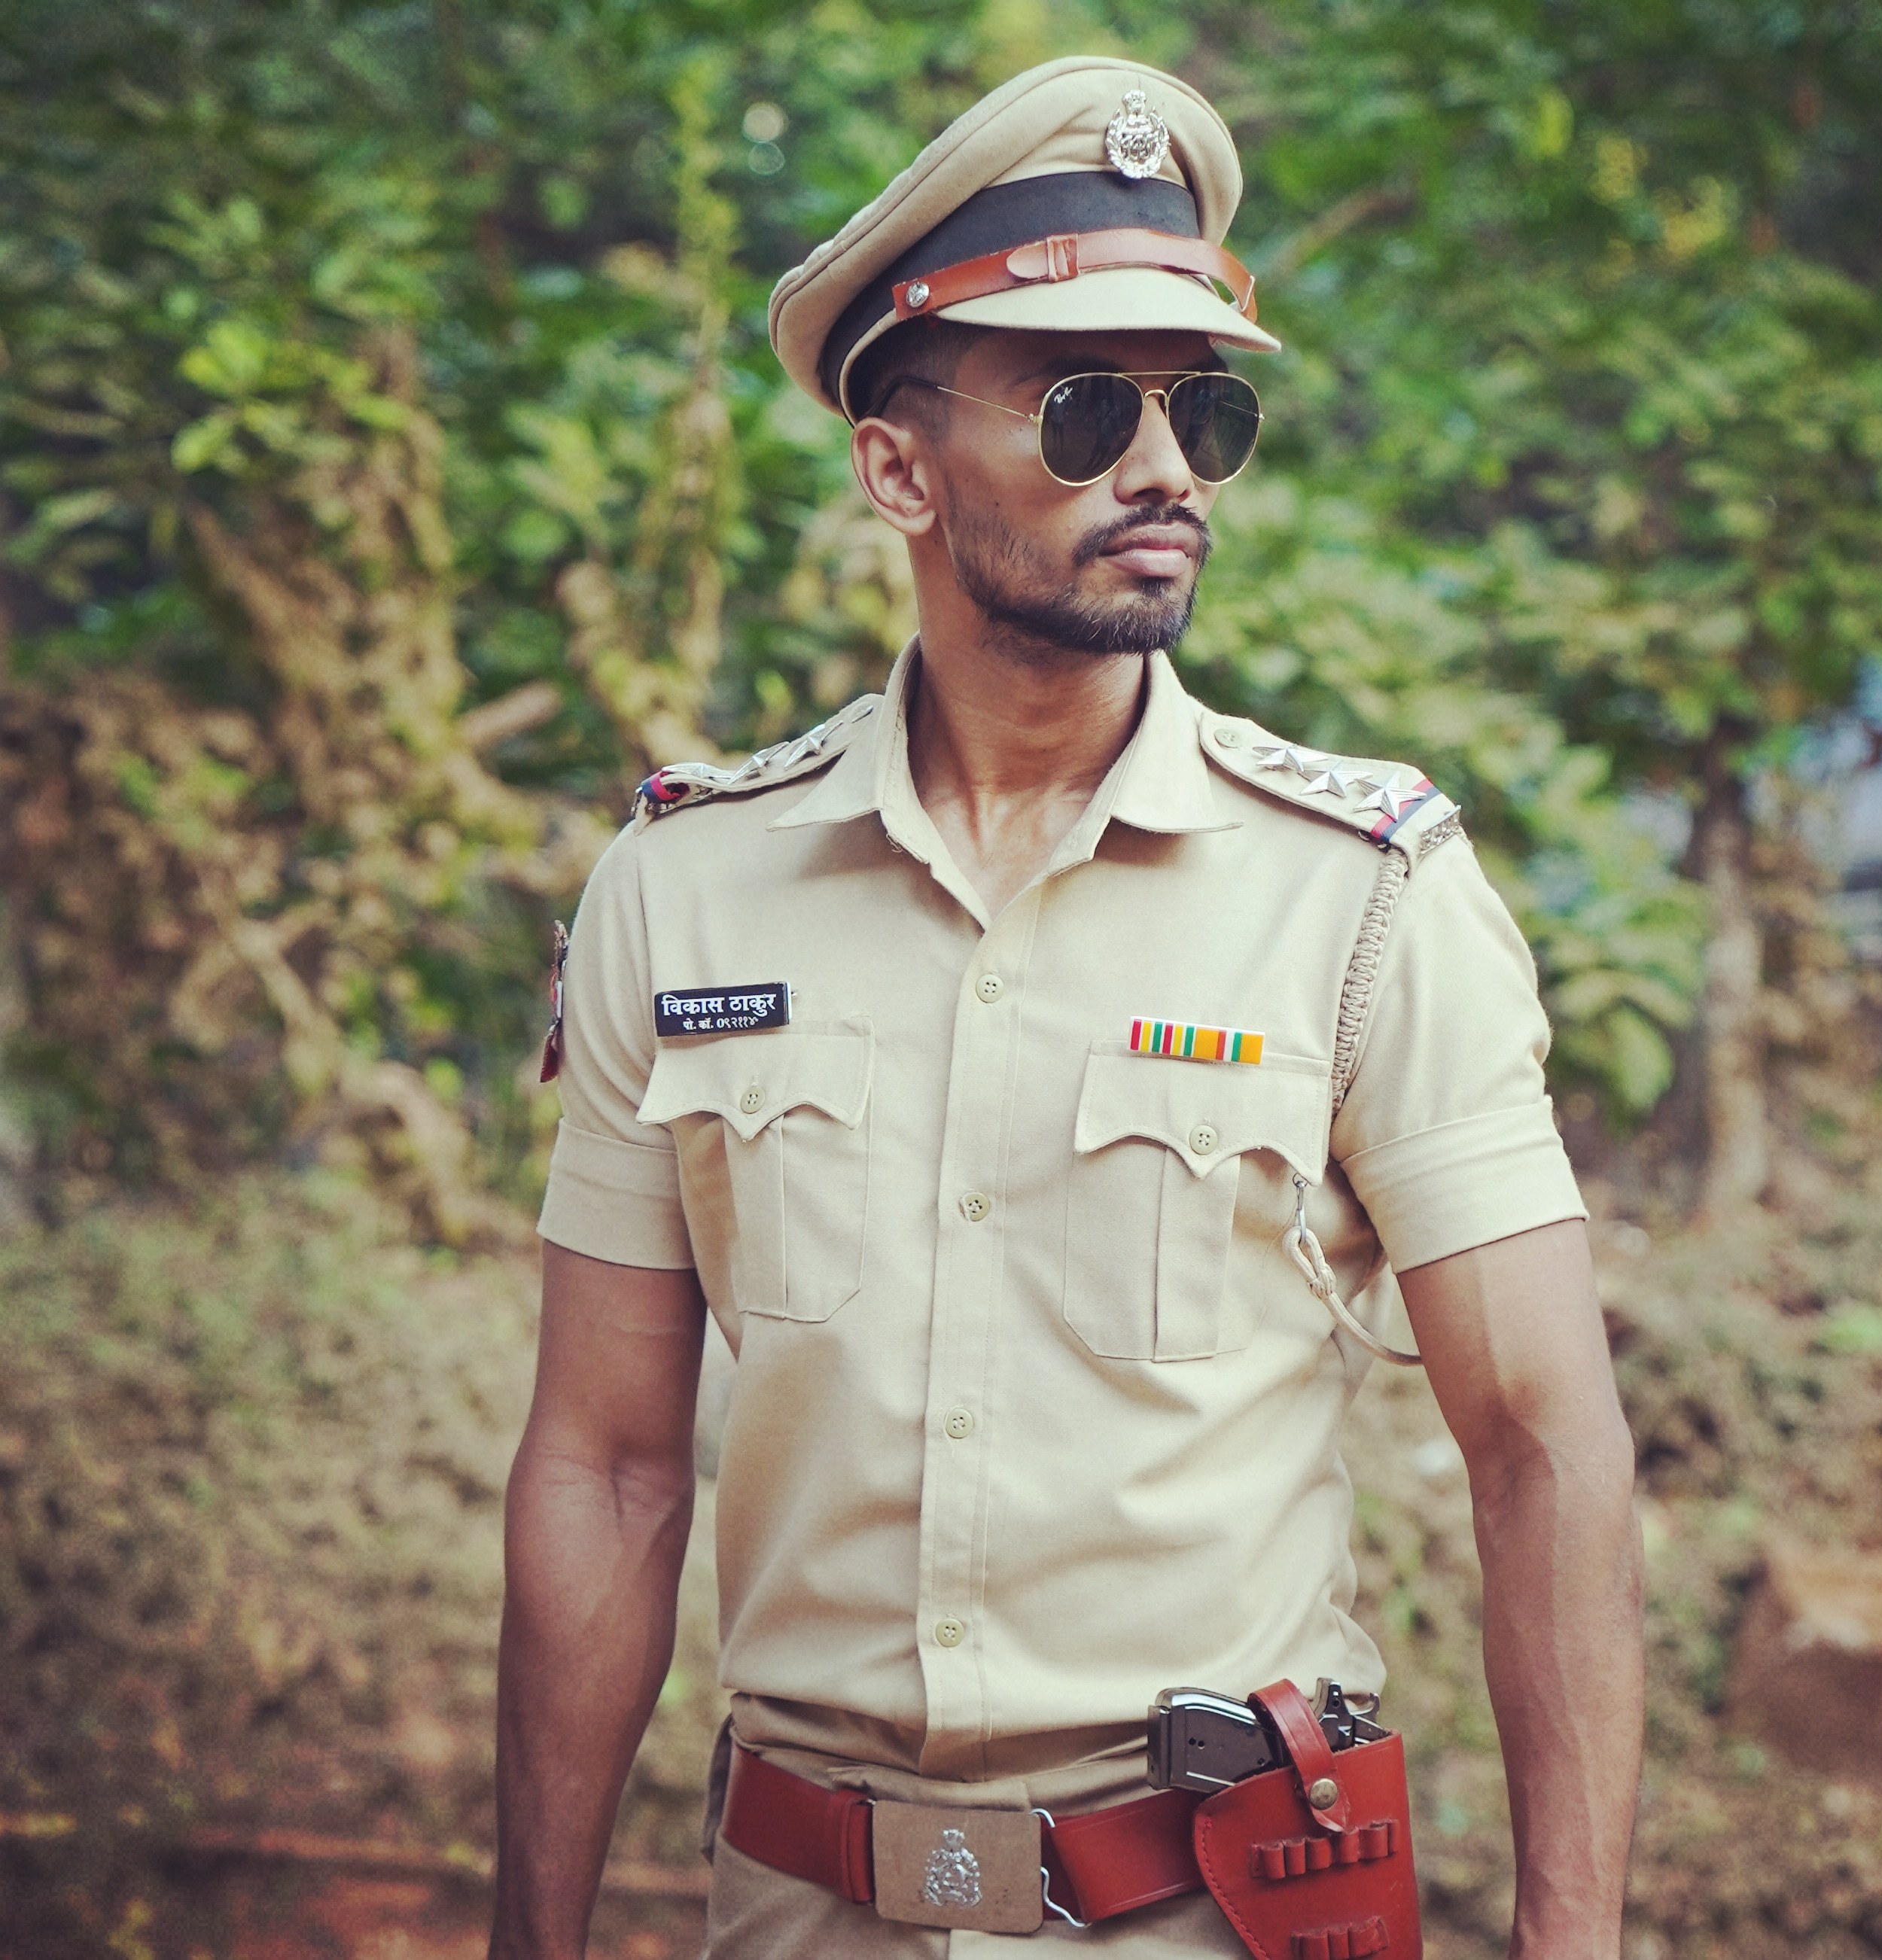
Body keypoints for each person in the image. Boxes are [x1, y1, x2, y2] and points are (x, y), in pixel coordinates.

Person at [489, 54, 1641, 1960]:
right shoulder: (685, 893)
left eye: (1204, 411)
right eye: (1088, 406)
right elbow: (602, 1472)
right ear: (898, 468)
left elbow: (1545, 1451)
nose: (1165, 468)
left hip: (1221, 1910)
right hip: (803, 1909)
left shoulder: (1362, 897)